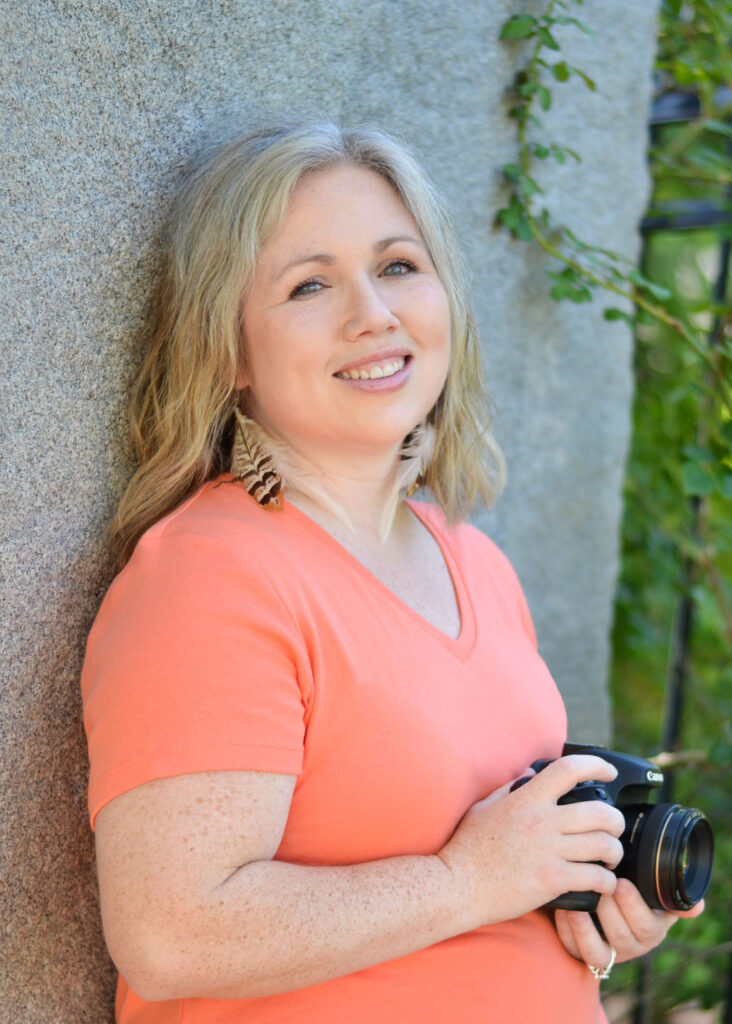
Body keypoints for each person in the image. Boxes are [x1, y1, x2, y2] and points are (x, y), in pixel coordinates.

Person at [82, 120, 700, 1024]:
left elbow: (493, 890)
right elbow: (173, 935)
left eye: (399, 267)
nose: (372, 312)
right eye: (309, 284)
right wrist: (467, 879)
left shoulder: (475, 563)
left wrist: (579, 904)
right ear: (228, 355)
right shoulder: (210, 578)